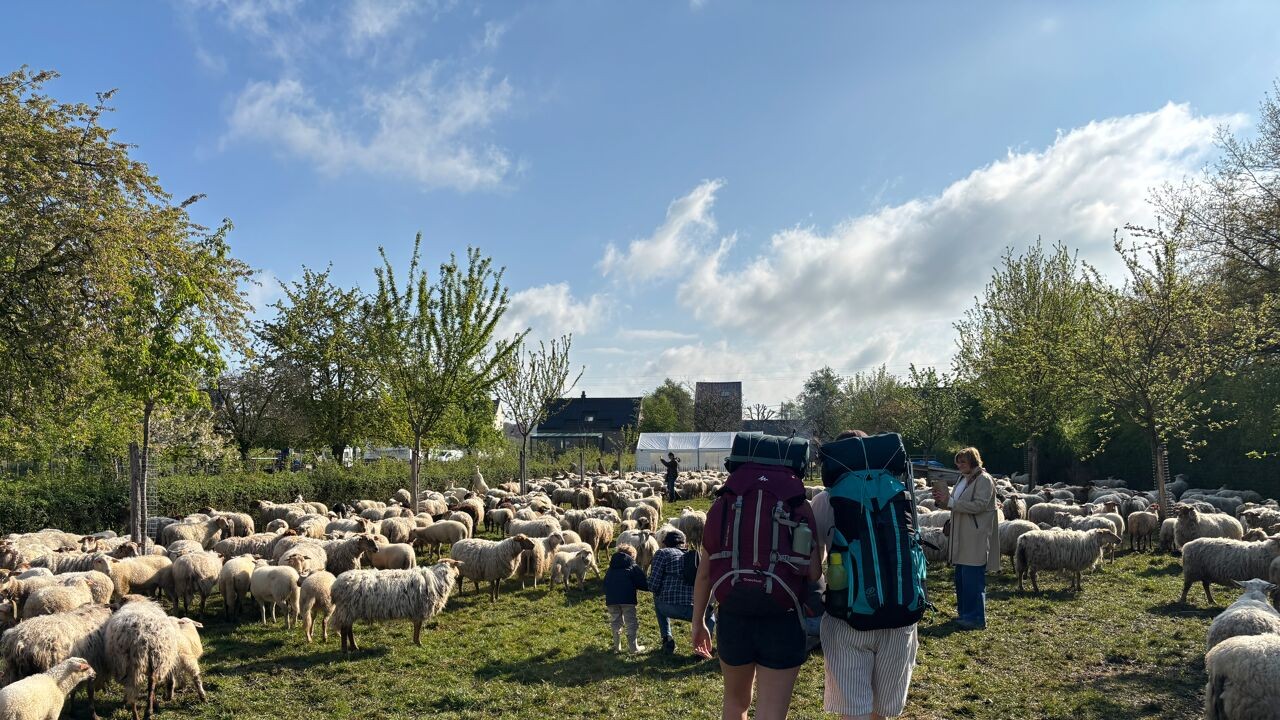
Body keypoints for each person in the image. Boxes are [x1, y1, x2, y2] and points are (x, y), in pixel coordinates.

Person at [813, 429, 919, 720]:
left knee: (854, 713)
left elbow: (815, 565)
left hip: (847, 616)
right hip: (899, 613)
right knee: (880, 714)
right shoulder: (900, 494)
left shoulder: (825, 500)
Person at [930, 446, 1000, 631]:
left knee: (973, 578)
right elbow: (955, 504)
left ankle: (976, 618)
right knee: (962, 577)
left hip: (975, 534)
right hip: (961, 533)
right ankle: (964, 614)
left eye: (963, 461)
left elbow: (979, 505)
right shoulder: (963, 479)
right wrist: (942, 500)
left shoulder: (984, 480)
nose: (959, 465)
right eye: (958, 462)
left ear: (973, 461)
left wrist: (952, 502)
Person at [649, 529, 712, 653]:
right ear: (684, 543)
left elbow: (653, 585)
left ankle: (667, 638)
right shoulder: (695, 557)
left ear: (665, 543)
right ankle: (704, 647)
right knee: (711, 616)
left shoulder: (662, 553)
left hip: (668, 607)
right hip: (695, 611)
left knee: (657, 596)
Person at [604, 544, 649, 653]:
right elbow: (643, 583)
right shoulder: (633, 566)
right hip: (628, 599)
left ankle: (617, 647)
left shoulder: (611, 568)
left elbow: (605, 583)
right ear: (632, 555)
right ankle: (633, 648)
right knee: (630, 622)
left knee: (615, 621)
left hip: (612, 600)